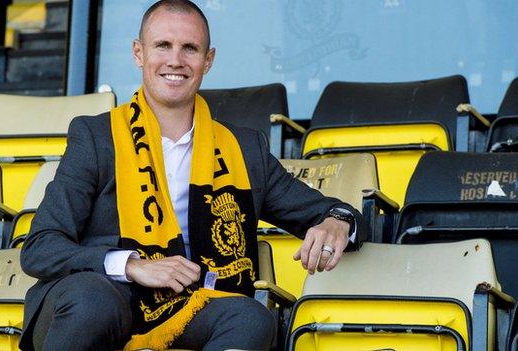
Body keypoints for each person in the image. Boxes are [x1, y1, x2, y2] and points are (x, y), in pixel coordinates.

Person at [19, 1, 366, 350]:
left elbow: (332, 213)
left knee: (250, 317)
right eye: (162, 46)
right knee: (92, 298)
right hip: (103, 300)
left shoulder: (244, 149)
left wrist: (338, 222)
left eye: (190, 48)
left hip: (191, 304)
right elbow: (40, 247)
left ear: (208, 60)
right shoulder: (96, 137)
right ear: (138, 53)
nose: (175, 60)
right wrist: (132, 265)